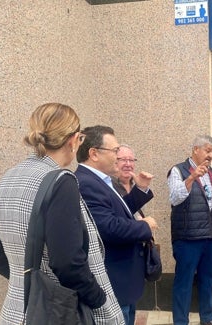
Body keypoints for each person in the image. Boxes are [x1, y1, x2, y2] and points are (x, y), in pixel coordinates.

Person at [0, 103, 124, 324]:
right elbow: (68, 264)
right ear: (73, 140)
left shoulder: (9, 177)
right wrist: (99, 298)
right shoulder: (61, 181)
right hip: (56, 313)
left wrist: (28, 279)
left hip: (15, 312)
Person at [75, 125, 158, 325]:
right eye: (115, 151)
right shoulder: (87, 183)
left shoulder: (100, 181)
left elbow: (120, 211)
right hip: (114, 281)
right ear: (94, 153)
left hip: (123, 280)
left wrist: (140, 190)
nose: (118, 156)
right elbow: (108, 227)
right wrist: (145, 226)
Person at [167, 135, 212, 325]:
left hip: (210, 237)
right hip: (188, 238)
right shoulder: (178, 170)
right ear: (195, 150)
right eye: (207, 150)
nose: (210, 155)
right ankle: (181, 321)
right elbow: (175, 198)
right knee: (184, 282)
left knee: (208, 280)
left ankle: (207, 318)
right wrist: (191, 178)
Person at [112, 144, 146, 219]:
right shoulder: (108, 187)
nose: (128, 164)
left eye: (131, 160)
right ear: (114, 161)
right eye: (123, 160)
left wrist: (141, 188)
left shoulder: (135, 185)